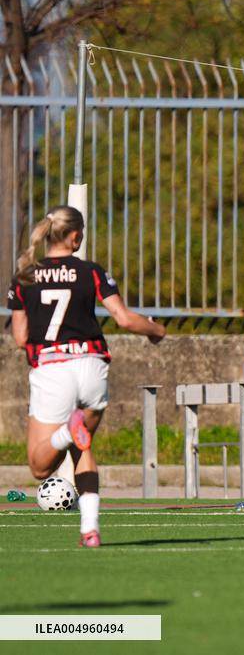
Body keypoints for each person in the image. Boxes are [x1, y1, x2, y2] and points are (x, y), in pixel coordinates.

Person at [8, 205, 165, 547]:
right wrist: (155, 329)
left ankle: (67, 429)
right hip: (93, 365)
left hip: (53, 367)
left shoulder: (25, 275)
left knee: (39, 466)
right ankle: (89, 529)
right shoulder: (91, 271)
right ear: (76, 236)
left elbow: (20, 339)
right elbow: (123, 319)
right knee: (84, 447)